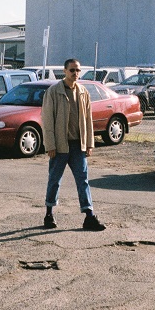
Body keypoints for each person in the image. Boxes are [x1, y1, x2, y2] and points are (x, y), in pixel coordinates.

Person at [41, 58, 106, 231]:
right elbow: (47, 120)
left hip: (78, 145)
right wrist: (50, 145)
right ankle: (49, 214)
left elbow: (88, 119)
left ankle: (89, 216)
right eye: (72, 70)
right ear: (64, 71)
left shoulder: (83, 92)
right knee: (54, 180)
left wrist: (89, 143)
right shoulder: (53, 92)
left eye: (78, 70)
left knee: (83, 180)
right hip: (60, 146)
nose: (75, 73)